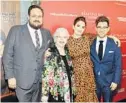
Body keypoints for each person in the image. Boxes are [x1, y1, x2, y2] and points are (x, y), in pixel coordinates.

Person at [3, 5, 52, 102]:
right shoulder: (16, 30)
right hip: (22, 81)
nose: (37, 19)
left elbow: (50, 52)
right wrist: (10, 76)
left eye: (39, 16)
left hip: (40, 82)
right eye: (34, 16)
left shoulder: (47, 33)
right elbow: (7, 55)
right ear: (28, 17)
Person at [90, 16, 122, 102]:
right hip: (94, 83)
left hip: (109, 83)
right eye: (99, 27)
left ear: (108, 29)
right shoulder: (90, 43)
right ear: (96, 28)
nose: (102, 30)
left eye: (104, 27)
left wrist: (115, 81)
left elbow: (118, 65)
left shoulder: (114, 44)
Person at [67, 16, 98, 102]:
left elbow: (101, 35)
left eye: (83, 27)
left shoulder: (87, 37)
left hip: (88, 74)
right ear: (73, 26)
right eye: (78, 25)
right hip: (76, 76)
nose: (80, 29)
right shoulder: (67, 41)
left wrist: (114, 38)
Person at [41, 28, 76, 102]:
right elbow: (46, 75)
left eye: (64, 37)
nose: (61, 39)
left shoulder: (67, 51)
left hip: (68, 89)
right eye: (59, 37)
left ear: (67, 39)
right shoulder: (51, 52)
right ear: (55, 38)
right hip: (55, 92)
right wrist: (44, 94)